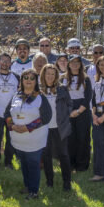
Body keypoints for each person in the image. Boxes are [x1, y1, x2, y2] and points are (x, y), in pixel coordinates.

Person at [4, 69, 52, 199]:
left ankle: (34, 191)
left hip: (34, 139)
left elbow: (46, 117)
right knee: (24, 164)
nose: (29, 80)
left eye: (32, 78)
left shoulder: (40, 97)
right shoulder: (15, 96)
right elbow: (7, 114)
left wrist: (28, 127)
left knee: (33, 164)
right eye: (26, 78)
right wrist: (12, 125)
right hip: (18, 139)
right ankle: (27, 186)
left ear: (36, 81)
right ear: (22, 80)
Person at [39, 63, 72, 192]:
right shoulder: (38, 90)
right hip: (44, 128)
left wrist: (64, 117)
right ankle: (49, 181)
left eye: (53, 74)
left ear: (56, 76)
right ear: (43, 75)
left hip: (59, 128)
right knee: (46, 155)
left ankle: (67, 182)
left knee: (63, 154)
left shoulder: (62, 89)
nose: (50, 76)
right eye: (48, 74)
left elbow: (70, 104)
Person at [64, 55, 93, 172]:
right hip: (68, 111)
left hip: (83, 111)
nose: (75, 64)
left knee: (83, 137)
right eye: (72, 62)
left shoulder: (86, 79)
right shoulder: (62, 78)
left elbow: (88, 97)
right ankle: (70, 164)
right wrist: (69, 111)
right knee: (70, 138)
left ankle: (82, 165)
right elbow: (61, 96)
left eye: (77, 62)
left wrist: (79, 111)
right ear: (68, 64)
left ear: (81, 64)